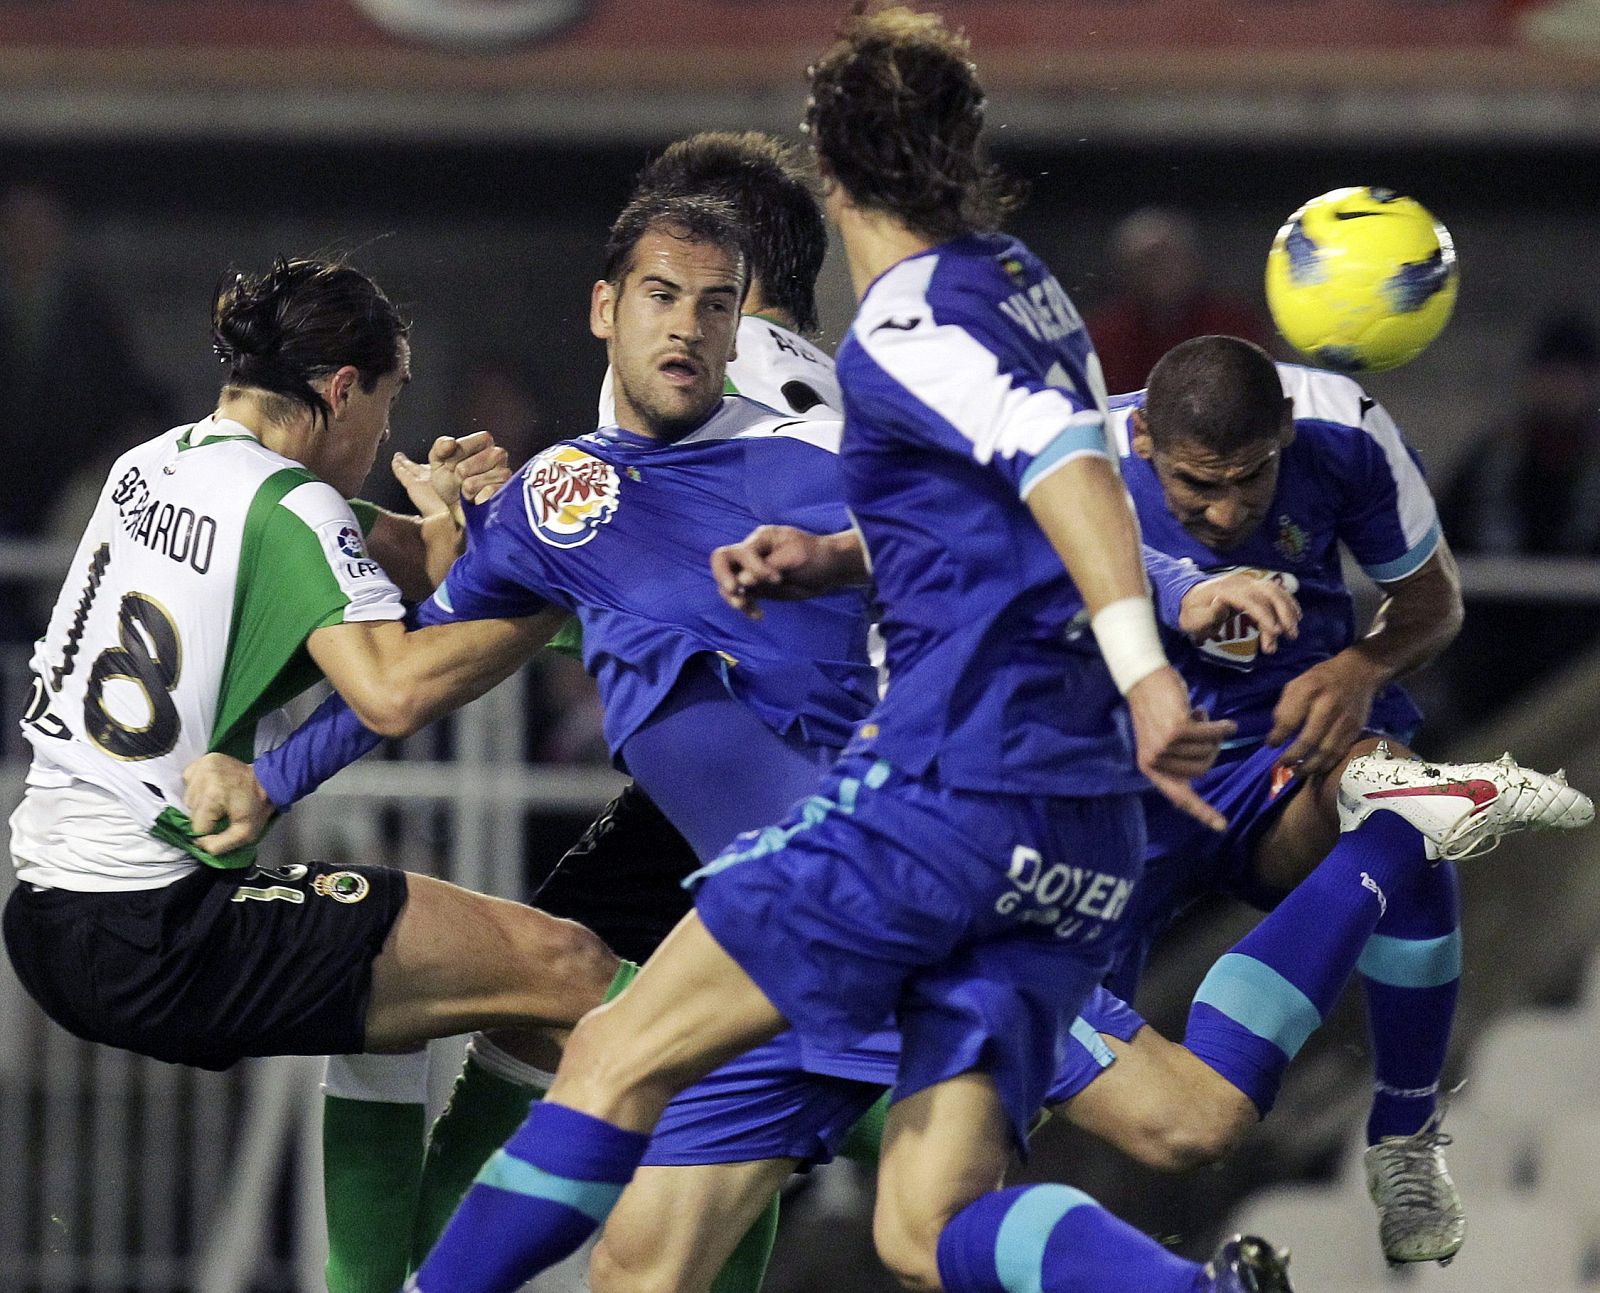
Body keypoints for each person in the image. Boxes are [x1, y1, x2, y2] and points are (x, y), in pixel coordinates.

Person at [406, 10, 1296, 1292]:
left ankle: (1378, 856)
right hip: (1016, 800)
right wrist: (830, 560)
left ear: (825, 171)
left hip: (926, 814)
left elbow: (1058, 466)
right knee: (752, 1253)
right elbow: (996, 491)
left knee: (609, 1056)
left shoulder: (901, 327)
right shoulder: (1017, 286)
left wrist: (1150, 650)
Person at [0, 256, 628, 1290]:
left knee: (405, 993)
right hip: (156, 925)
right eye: (386, 406)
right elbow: (392, 691)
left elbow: (420, 564)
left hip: (52, 913)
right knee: (572, 969)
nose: (383, 438)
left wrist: (465, 521)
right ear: (341, 389)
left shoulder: (153, 464)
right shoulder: (291, 504)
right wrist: (551, 592)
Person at [1085, 206, 1273, 395]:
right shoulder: (1103, 337)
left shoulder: (1233, 323)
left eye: (1170, 258)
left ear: (1193, 261)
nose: (1161, 269)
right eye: (1149, 261)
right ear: (1126, 271)